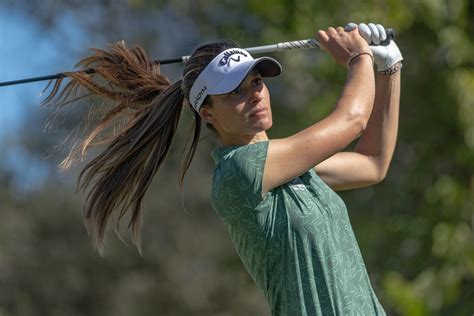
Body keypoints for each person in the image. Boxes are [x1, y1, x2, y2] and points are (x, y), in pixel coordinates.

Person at [45, 22, 402, 315]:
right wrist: (360, 58)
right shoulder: (239, 173)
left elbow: (372, 164)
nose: (254, 95)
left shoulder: (291, 167)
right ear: (208, 112)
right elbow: (352, 120)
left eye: (256, 83)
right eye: (234, 91)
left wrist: (389, 68)